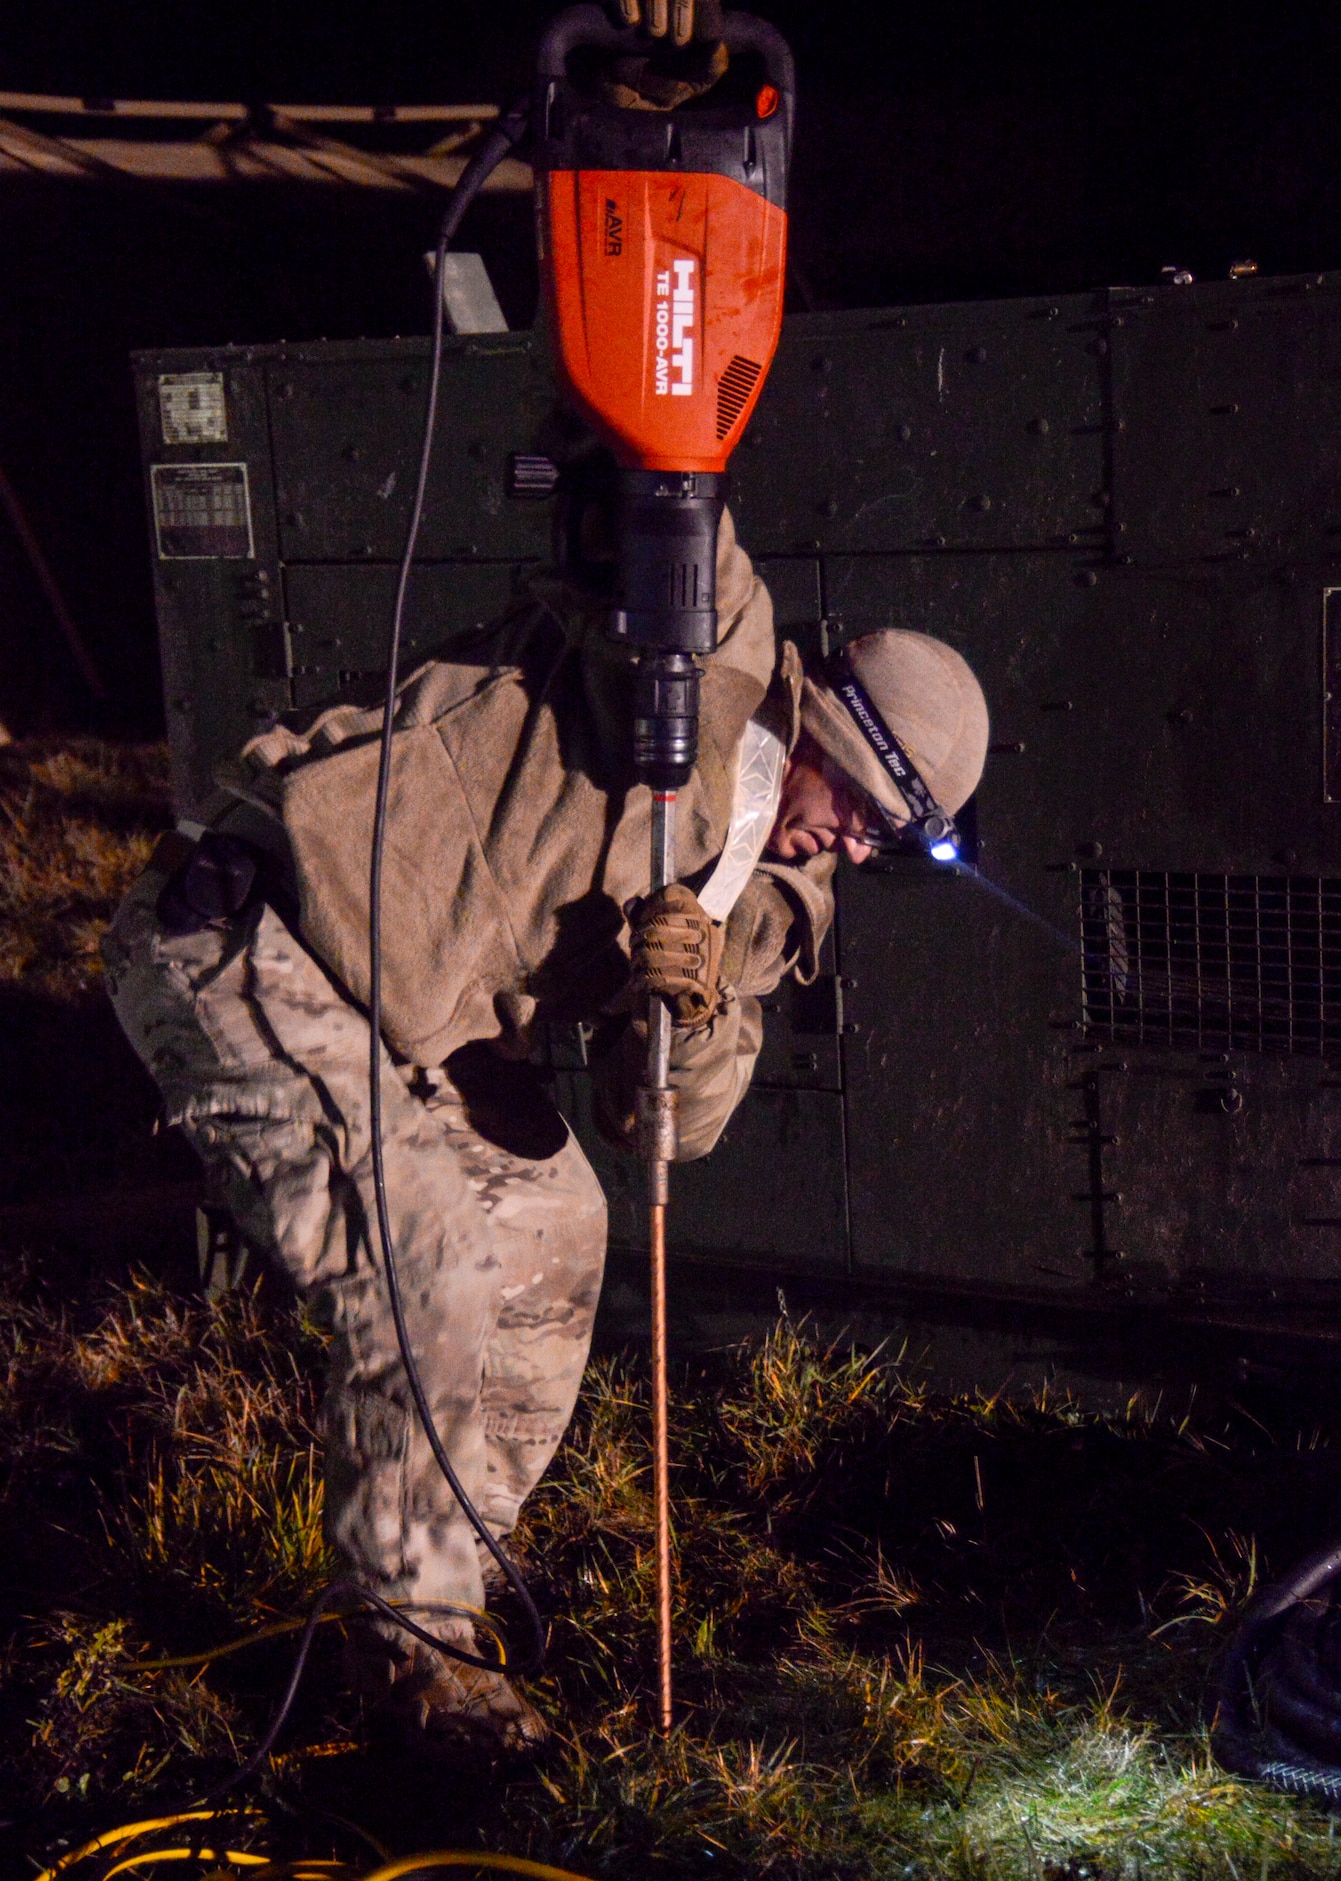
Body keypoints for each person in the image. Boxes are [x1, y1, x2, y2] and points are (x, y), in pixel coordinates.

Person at [103, 11, 991, 1763]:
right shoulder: (701, 652)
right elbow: (648, 425)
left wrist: (700, 992)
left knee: (560, 1226)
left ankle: (441, 1583)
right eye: (864, 809)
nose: (853, 851)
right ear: (828, 721)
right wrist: (643, 136)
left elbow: (671, 1136)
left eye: (888, 849)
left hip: (424, 1018)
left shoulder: (768, 894)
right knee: (426, 1259)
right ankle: (406, 1655)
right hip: (258, 941)